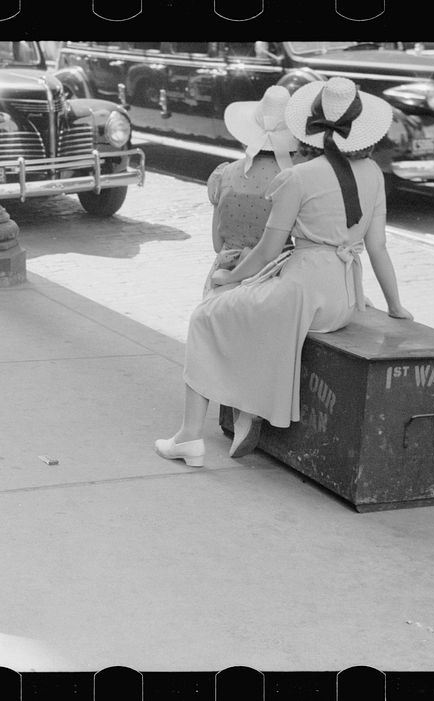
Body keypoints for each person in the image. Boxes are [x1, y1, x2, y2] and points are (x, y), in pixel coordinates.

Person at [154, 77, 413, 467]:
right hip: (344, 298)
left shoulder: (298, 178)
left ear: (310, 127)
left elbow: (267, 250)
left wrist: (230, 276)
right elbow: (378, 247)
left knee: (206, 317)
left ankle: (190, 436)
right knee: (243, 314)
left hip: (304, 294)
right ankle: (244, 409)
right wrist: (396, 305)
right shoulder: (374, 173)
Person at [202, 85, 299, 298]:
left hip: (222, 280)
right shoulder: (292, 181)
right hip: (271, 279)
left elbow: (218, 245)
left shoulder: (223, 174)